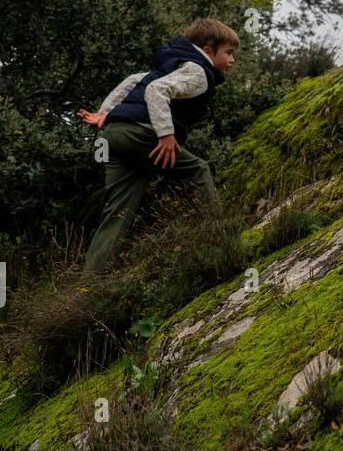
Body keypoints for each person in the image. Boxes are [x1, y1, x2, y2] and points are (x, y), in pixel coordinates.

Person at [75, 18, 237, 271]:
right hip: (140, 135)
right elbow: (155, 91)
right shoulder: (198, 73)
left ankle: (89, 284)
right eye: (228, 53)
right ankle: (221, 239)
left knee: (119, 212)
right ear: (207, 51)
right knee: (199, 169)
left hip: (114, 136)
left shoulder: (173, 64)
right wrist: (166, 135)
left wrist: (104, 112)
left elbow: (133, 81)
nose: (232, 60)